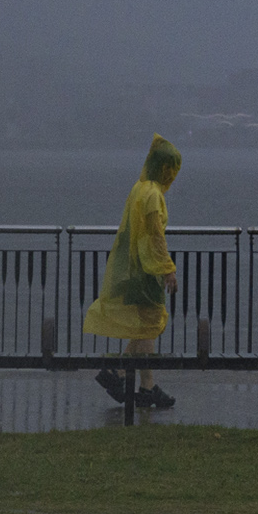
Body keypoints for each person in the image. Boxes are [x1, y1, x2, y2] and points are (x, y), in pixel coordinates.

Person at [84, 133, 182, 409]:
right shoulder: (152, 195)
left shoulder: (140, 188)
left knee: (144, 328)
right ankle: (127, 375)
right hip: (145, 270)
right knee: (148, 326)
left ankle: (141, 383)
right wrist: (167, 270)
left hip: (133, 266)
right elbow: (155, 236)